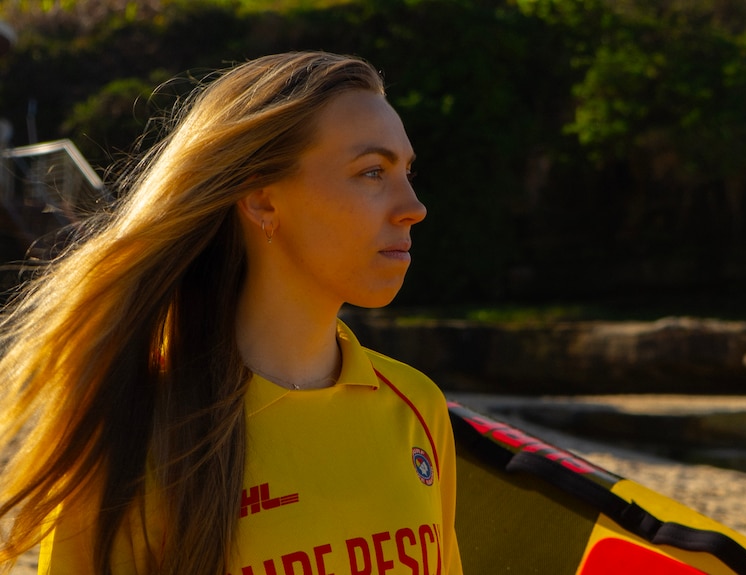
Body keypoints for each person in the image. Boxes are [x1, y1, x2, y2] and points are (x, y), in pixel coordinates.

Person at [0, 51, 462, 575]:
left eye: (407, 171)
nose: (414, 206)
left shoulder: (419, 408)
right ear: (263, 200)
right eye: (373, 171)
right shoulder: (136, 437)